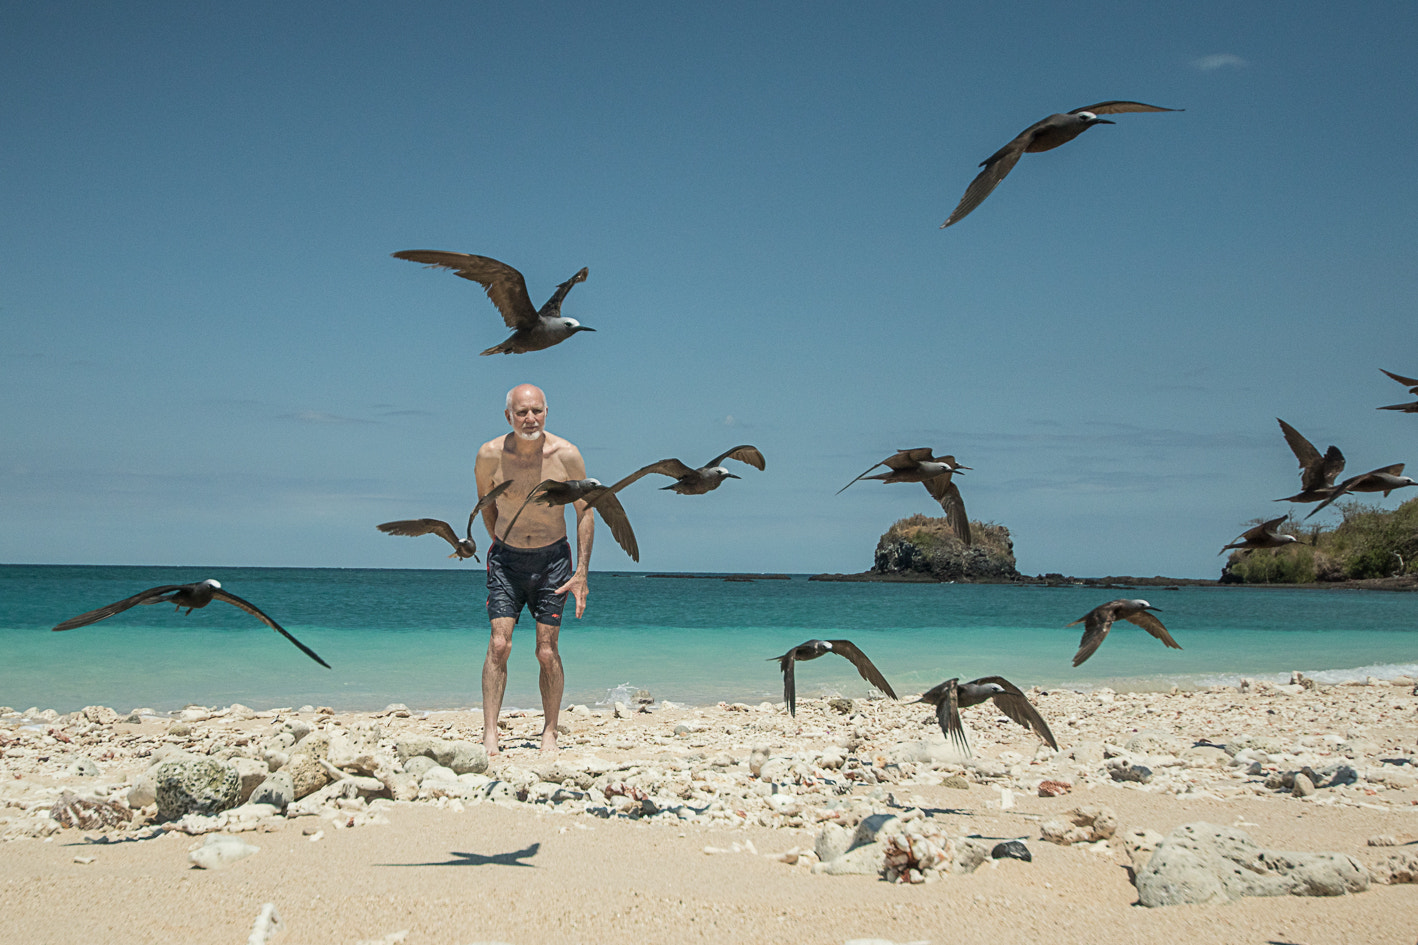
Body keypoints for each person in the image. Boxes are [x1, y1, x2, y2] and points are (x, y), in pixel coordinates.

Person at [473, 383, 593, 755]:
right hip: (506, 561)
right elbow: (485, 502)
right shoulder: (489, 454)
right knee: (499, 645)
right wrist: (500, 540)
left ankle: (550, 732)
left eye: (537, 411)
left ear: (546, 412)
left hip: (553, 561)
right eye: (522, 412)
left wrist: (582, 573)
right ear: (508, 415)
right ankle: (490, 733)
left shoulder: (566, 455)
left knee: (546, 651)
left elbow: (585, 510)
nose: (530, 419)